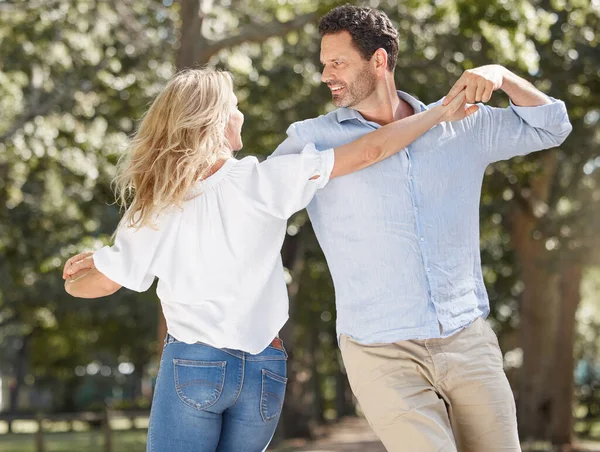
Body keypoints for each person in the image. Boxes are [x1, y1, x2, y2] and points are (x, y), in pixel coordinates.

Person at [62, 68, 473, 452]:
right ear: (218, 120)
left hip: (194, 365)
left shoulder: (158, 204)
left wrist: (79, 275)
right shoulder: (266, 180)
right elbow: (369, 151)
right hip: (265, 369)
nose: (241, 114)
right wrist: (437, 113)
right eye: (235, 106)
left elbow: (104, 283)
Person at [270, 5, 572, 452]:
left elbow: (553, 126)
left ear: (378, 60)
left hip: (465, 336)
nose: (325, 75)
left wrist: (501, 75)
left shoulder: (464, 124)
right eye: (324, 64)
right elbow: (257, 203)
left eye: (337, 63)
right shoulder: (310, 140)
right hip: (379, 349)